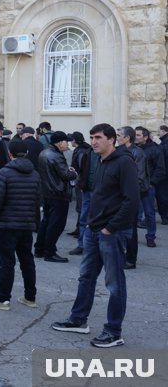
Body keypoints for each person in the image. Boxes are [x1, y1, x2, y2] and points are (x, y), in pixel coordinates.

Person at [52, 123, 138, 348]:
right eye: (92, 137)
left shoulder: (124, 162)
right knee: (86, 277)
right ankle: (78, 320)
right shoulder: (100, 161)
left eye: (98, 137)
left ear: (112, 140)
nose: (94, 141)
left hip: (112, 233)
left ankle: (113, 331)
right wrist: (90, 225)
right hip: (94, 230)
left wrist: (110, 228)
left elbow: (132, 201)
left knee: (115, 284)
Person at [0, 140, 40, 311]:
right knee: (27, 260)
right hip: (26, 224)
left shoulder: (4, 173)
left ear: (10, 154)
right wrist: (36, 223)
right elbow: (37, 201)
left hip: (8, 225)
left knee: (7, 263)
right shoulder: (34, 174)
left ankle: (3, 299)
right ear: (27, 153)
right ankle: (30, 297)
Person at [34, 131, 77, 263]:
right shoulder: (56, 156)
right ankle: (50, 252)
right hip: (58, 194)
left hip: (47, 192)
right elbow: (65, 175)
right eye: (66, 142)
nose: (68, 144)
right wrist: (73, 172)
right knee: (56, 225)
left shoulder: (44, 153)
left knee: (46, 222)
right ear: (59, 142)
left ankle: (39, 249)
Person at [117, 126, 147, 269]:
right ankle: (120, 255)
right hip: (119, 195)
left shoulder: (137, 152)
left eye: (119, 135)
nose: (117, 138)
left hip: (130, 195)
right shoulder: (119, 151)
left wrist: (131, 194)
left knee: (130, 228)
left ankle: (130, 259)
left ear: (127, 137)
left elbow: (139, 177)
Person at [134, 126, 165, 248]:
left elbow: (160, 170)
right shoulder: (134, 149)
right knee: (132, 213)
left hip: (148, 188)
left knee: (149, 213)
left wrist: (150, 183)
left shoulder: (155, 150)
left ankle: (151, 237)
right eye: (135, 134)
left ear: (145, 137)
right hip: (134, 186)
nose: (135, 137)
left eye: (138, 135)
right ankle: (130, 237)